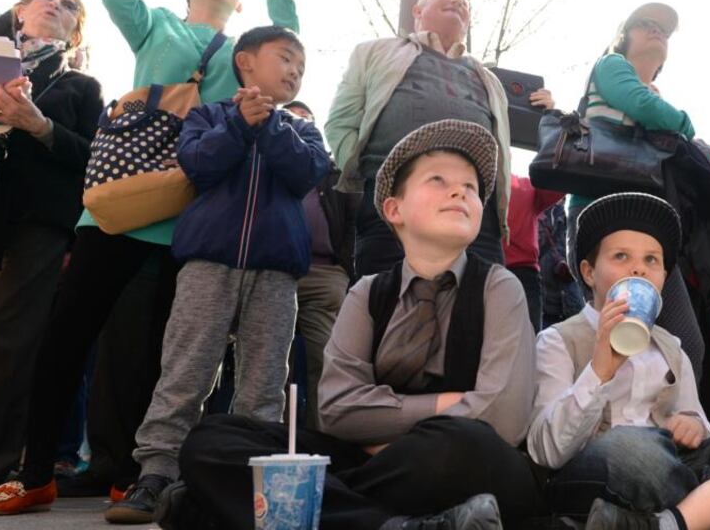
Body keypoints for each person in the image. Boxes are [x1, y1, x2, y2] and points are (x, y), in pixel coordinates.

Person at [0, 0, 300, 515]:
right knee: (67, 336)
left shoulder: (244, 54)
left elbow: (284, 55)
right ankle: (34, 473)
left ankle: (134, 473)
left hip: (191, 214)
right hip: (120, 206)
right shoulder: (156, 23)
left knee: (159, 351)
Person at [164, 120, 542, 530]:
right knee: (212, 440)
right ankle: (394, 525)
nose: (460, 192)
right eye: (438, 179)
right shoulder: (367, 293)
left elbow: (504, 416)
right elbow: (337, 409)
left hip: (451, 461)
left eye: (471, 187)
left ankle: (273, 505)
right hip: (375, 462)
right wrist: (446, 404)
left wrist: (390, 436)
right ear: (394, 209)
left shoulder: (499, 287)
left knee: (466, 445)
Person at [103, 25, 328, 523]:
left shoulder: (303, 128)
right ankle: (156, 475)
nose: (294, 71)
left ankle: (246, 482)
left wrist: (268, 125)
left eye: (301, 67)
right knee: (186, 370)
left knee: (264, 382)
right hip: (208, 263)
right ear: (245, 62)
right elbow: (198, 164)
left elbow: (306, 173)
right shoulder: (208, 114)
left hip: (275, 272)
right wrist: (241, 126)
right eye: (286, 58)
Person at [529, 192, 710, 529]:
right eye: (621, 256)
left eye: (652, 260)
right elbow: (546, 452)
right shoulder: (558, 340)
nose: (638, 268)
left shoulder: (670, 346)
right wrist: (599, 370)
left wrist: (692, 424)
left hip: (669, 466)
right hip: (599, 471)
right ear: (589, 272)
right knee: (633, 449)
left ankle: (662, 524)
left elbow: (699, 430)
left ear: (663, 277)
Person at [326, 0, 553, 276]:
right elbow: (340, 121)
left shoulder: (489, 80)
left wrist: (550, 114)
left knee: (478, 307)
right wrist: (369, 175)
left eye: (464, 3)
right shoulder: (373, 52)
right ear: (417, 11)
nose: (458, 2)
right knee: (389, 303)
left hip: (474, 209)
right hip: (394, 201)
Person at [0, 0, 102, 491]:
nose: (54, 4)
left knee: (8, 344)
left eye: (68, 4)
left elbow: (94, 160)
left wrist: (39, 126)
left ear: (77, 30)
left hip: (36, 225)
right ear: (19, 10)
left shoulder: (82, 88)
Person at [566, 2, 707, 378]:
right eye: (645, 24)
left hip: (648, 224)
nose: (656, 31)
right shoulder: (611, 66)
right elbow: (644, 107)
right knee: (607, 332)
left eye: (664, 30)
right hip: (599, 214)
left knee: (684, 342)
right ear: (624, 37)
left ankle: (676, 423)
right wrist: (684, 123)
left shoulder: (654, 93)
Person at [284, 98, 360, 427]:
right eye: (291, 118)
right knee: (271, 363)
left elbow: (354, 221)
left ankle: (322, 443)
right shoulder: (269, 163)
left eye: (307, 121)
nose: (300, 125)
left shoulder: (333, 173)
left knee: (326, 360)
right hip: (276, 271)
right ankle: (271, 440)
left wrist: (343, 268)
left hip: (326, 273)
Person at [502, 174, 564, 332]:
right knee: (527, 344)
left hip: (522, 275)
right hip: (523, 275)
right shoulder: (527, 187)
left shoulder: (528, 187)